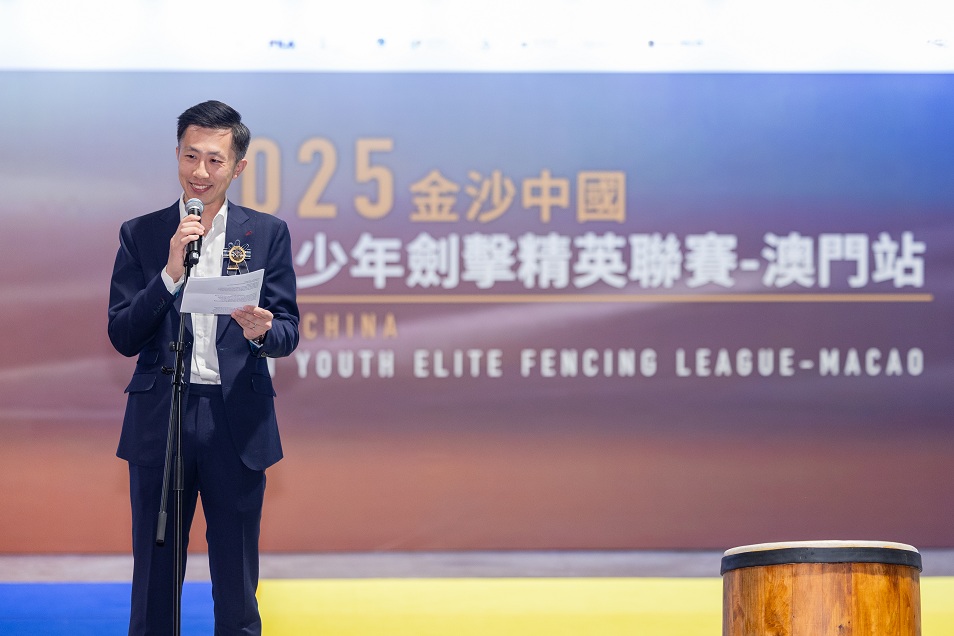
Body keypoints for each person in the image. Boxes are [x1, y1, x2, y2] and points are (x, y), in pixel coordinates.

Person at [107, 100, 300, 635]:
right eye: (190, 156)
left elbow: (288, 330)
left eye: (215, 160)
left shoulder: (266, 233)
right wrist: (170, 274)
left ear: (238, 167)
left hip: (235, 420)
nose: (200, 171)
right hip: (162, 418)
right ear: (176, 155)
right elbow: (123, 335)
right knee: (155, 577)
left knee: (236, 581)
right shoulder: (142, 234)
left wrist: (263, 330)